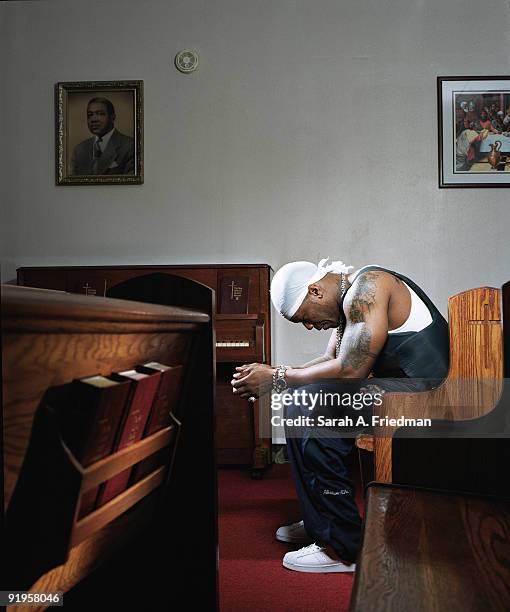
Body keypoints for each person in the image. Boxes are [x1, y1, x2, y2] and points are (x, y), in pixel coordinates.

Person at [231, 259, 449, 573]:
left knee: (314, 405)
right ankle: (321, 521)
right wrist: (271, 379)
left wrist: (277, 376)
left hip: (429, 394)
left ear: (316, 291)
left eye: (304, 317)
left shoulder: (367, 289)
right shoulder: (349, 300)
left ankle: (342, 548)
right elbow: (329, 360)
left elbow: (351, 369)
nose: (308, 326)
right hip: (395, 389)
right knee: (295, 399)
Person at [71, 97, 135, 175]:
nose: (93, 119)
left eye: (100, 114)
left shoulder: (130, 146)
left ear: (112, 118)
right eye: (90, 115)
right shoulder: (79, 150)